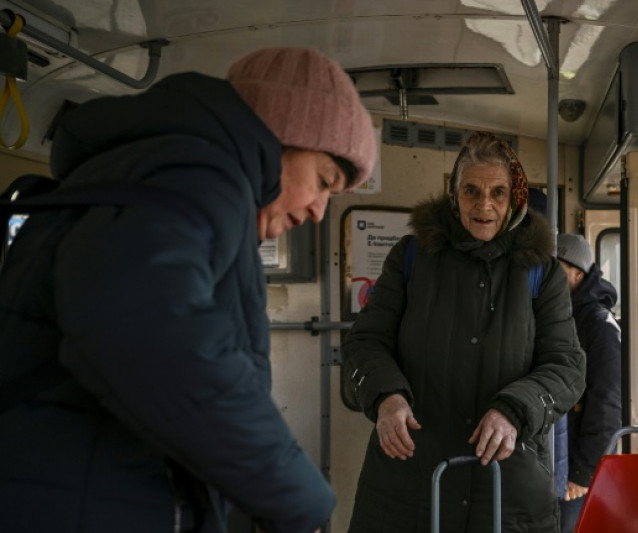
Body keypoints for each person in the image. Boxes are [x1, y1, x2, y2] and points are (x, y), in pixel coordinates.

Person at [0, 47, 376, 533]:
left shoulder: (157, 169)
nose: (319, 211)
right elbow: (146, 331)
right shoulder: (203, 176)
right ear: (280, 135)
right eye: (324, 182)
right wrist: (299, 496)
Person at [342, 131, 586, 533]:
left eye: (498, 192)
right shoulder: (411, 257)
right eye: (471, 190)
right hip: (410, 486)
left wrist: (514, 411)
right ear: (454, 195)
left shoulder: (541, 271)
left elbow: (567, 366)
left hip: (508, 491)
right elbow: (365, 341)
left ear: (515, 198)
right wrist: (386, 397)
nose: (484, 204)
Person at [554, 233, 622, 533]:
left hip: (575, 464)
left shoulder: (599, 324)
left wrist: (582, 472)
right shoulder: (557, 316)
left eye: (556, 270)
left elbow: (607, 403)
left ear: (578, 274)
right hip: (555, 455)